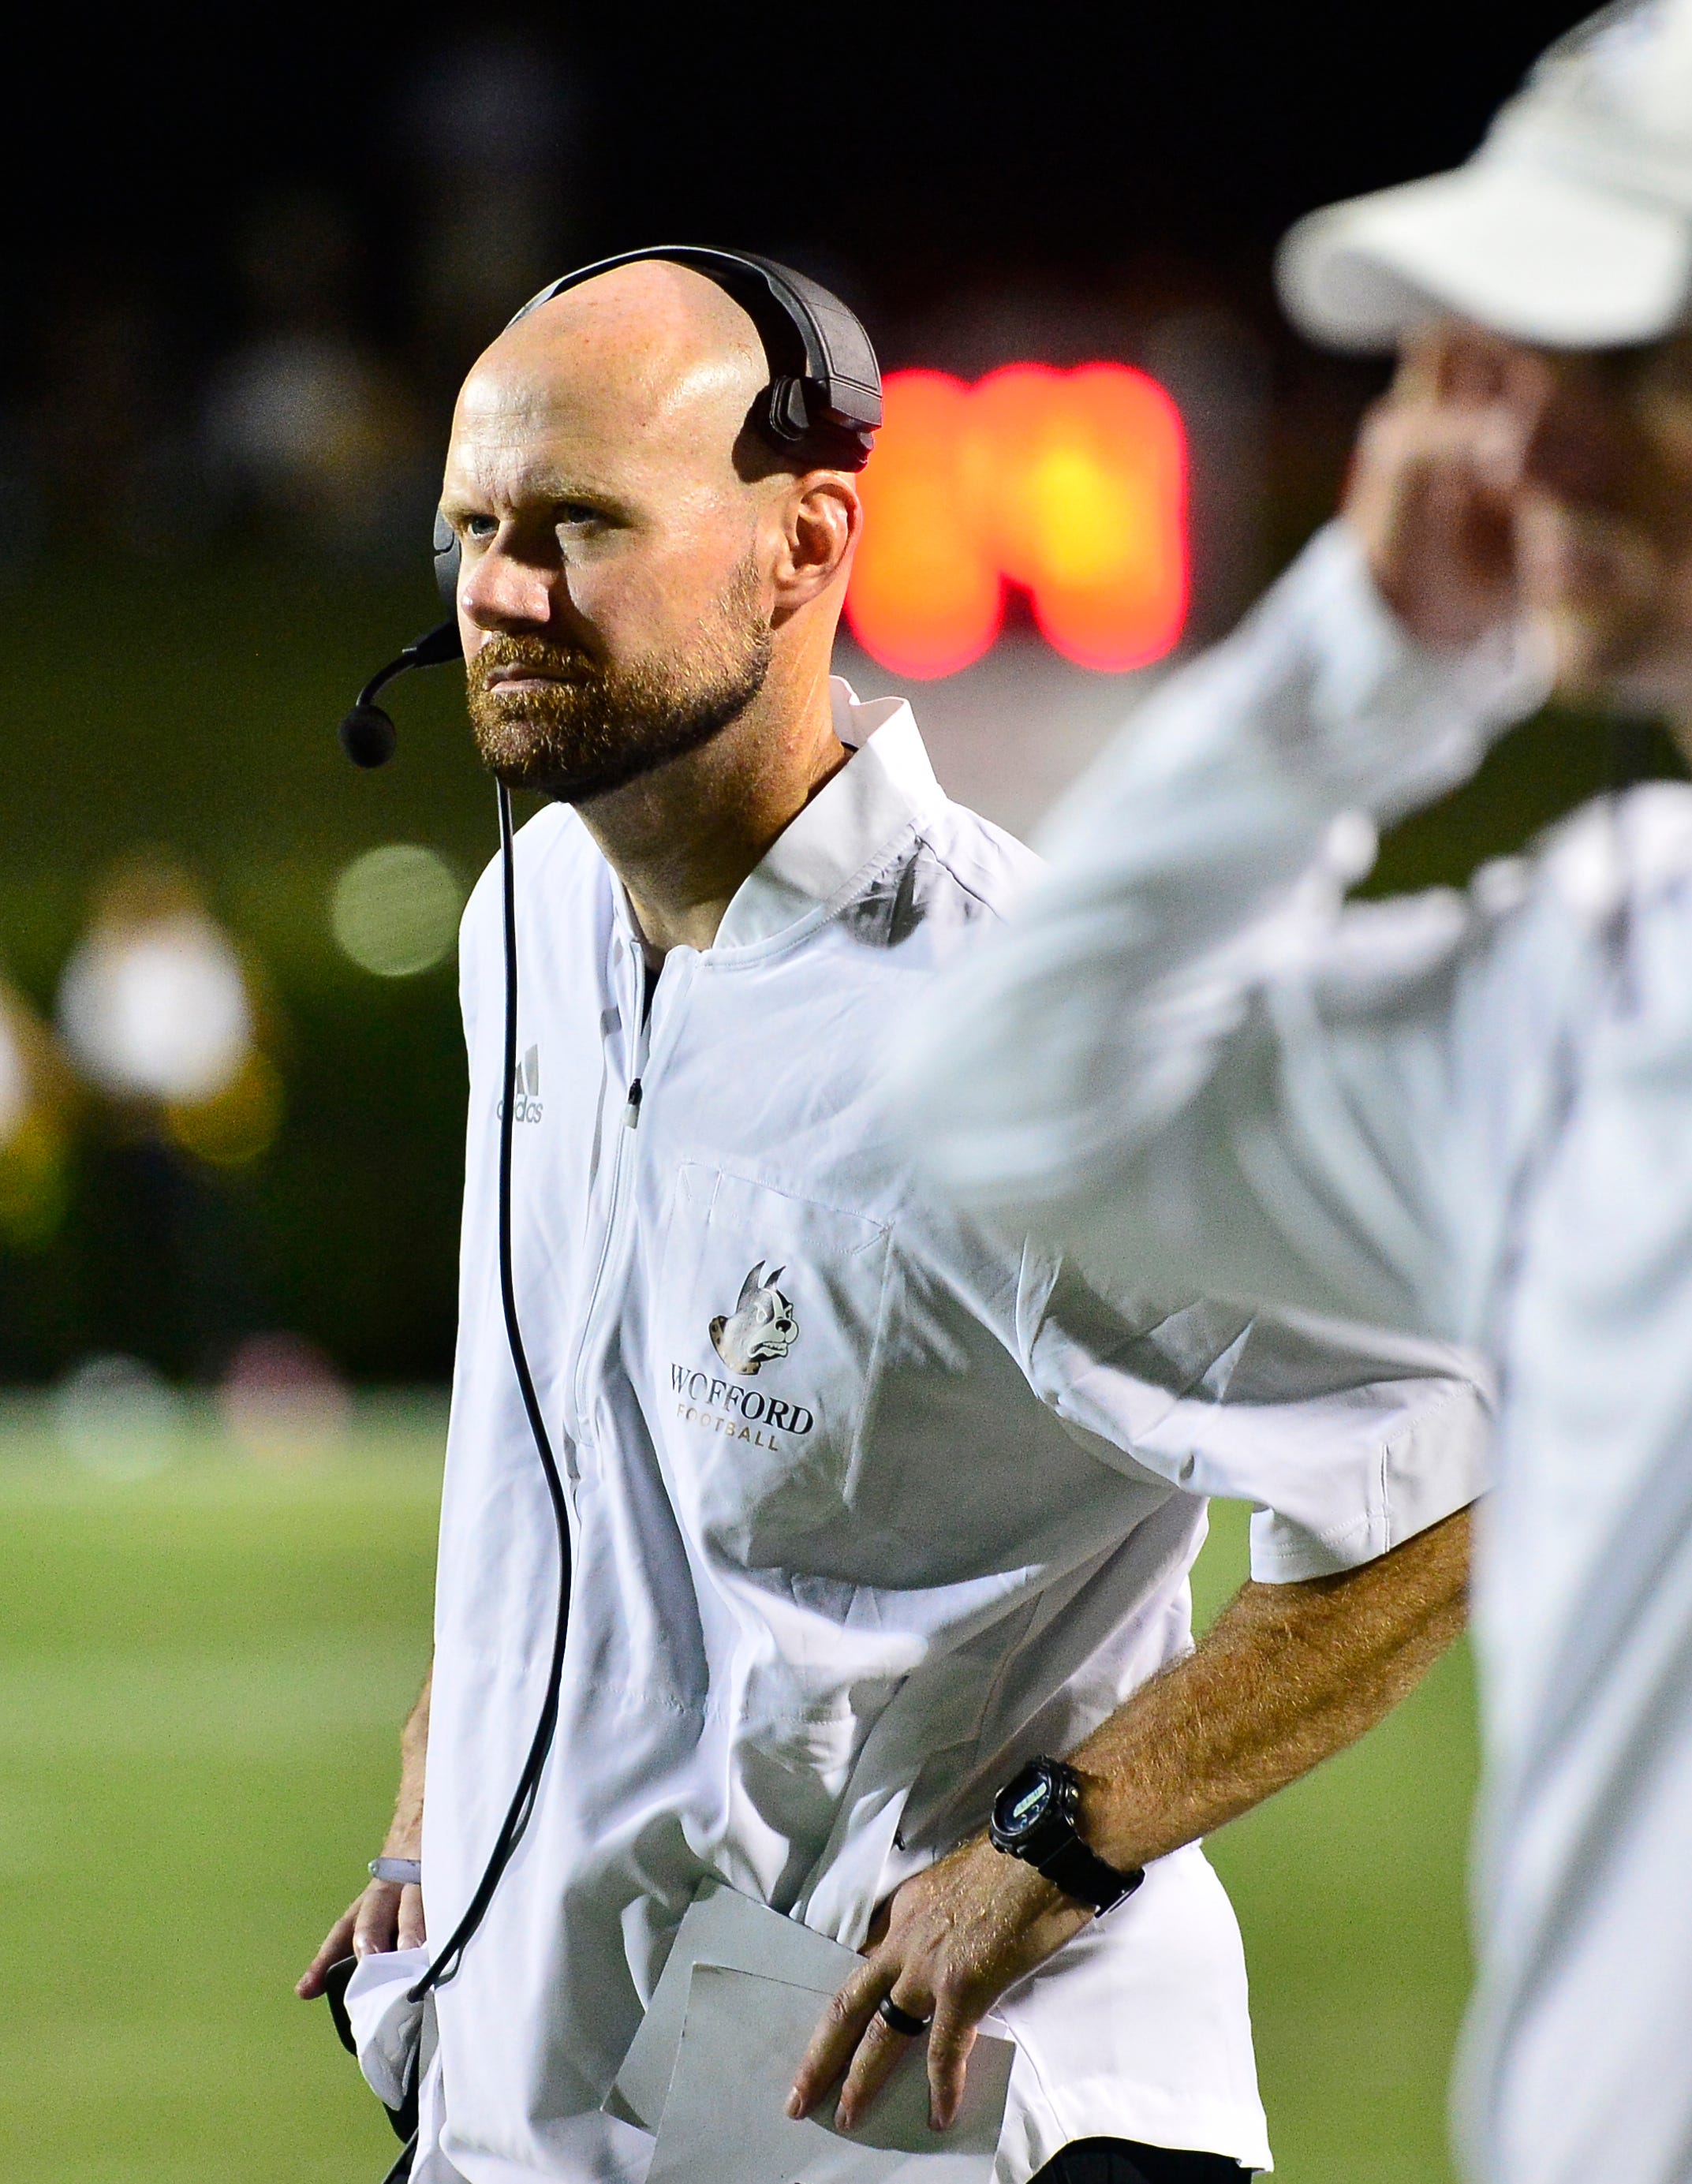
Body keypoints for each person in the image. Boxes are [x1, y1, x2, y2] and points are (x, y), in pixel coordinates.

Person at [297, 255, 1490, 2184]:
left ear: (806, 540)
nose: (499, 594)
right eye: (473, 532)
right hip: (551, 2111)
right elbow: (569, 1437)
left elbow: (1437, 1466)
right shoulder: (521, 932)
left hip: (940, 2127)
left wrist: (1054, 1845)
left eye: (578, 526)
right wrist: (452, 1789)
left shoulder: (1020, 1048)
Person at [894, 6, 1692, 2182]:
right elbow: (1014, 1112)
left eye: (1605, 368)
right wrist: (1359, 658)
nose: (1512, 457)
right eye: (1483, 378)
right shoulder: (1604, 967)